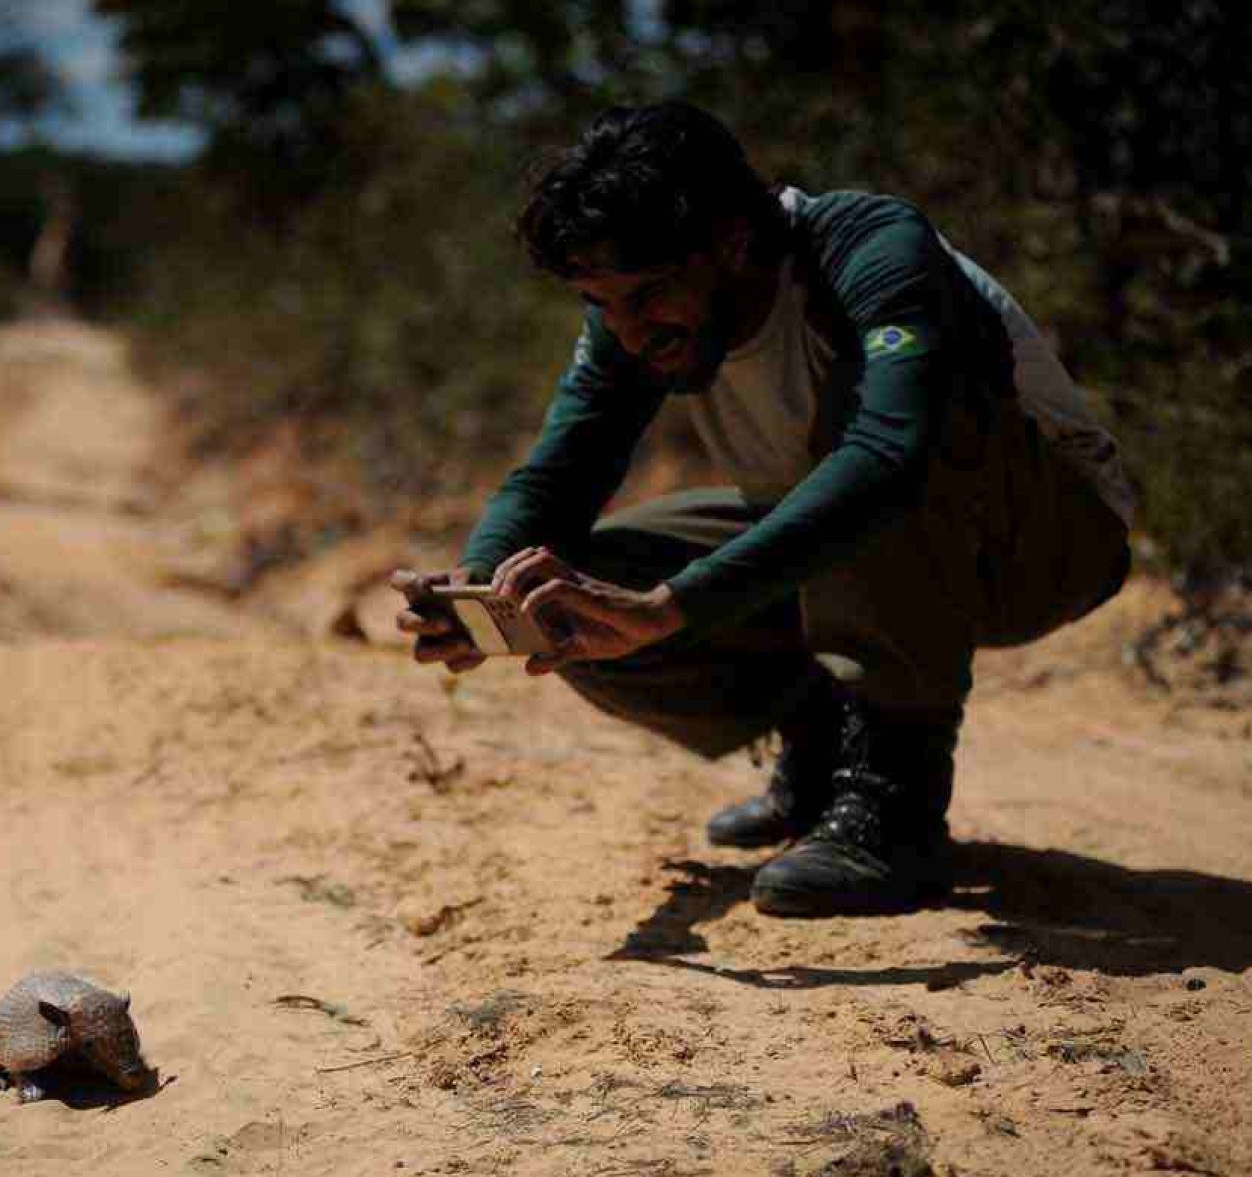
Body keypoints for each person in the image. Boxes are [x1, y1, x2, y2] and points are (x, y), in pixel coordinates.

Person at [392, 101, 1134, 917]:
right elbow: (556, 478)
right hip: (854, 553)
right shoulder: (633, 320)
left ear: (733, 241)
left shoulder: (867, 248)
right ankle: (820, 754)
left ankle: (894, 809)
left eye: (645, 297)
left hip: (1041, 543)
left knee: (879, 461)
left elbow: (890, 458)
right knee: (576, 583)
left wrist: (675, 607)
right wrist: (480, 582)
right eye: (600, 304)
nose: (628, 331)